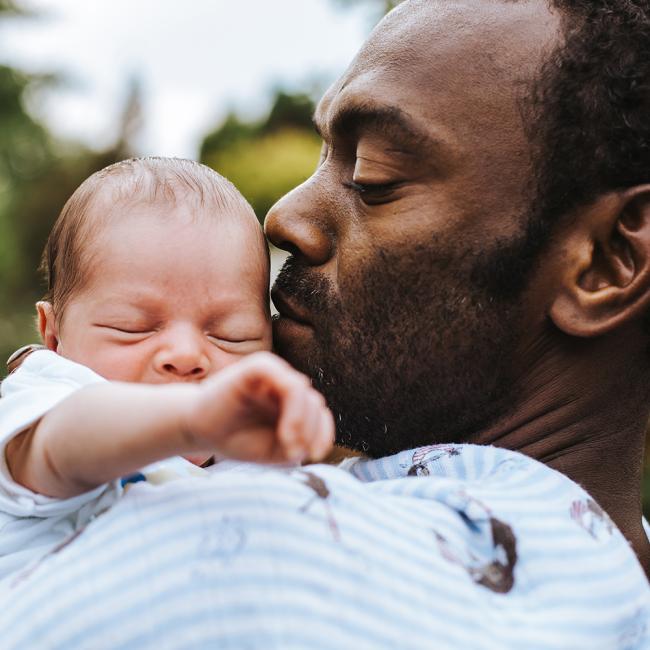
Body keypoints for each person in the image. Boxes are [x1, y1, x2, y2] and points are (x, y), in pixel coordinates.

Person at [1, 1, 649, 648]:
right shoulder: (613, 585)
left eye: (374, 178)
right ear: (52, 330)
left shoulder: (241, 566)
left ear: (606, 262)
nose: (282, 217)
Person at [0, 157, 333, 578]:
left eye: (231, 334)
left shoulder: (261, 443)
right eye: (132, 328)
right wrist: (191, 420)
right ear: (53, 336)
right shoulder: (51, 394)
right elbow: (61, 444)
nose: (186, 354)